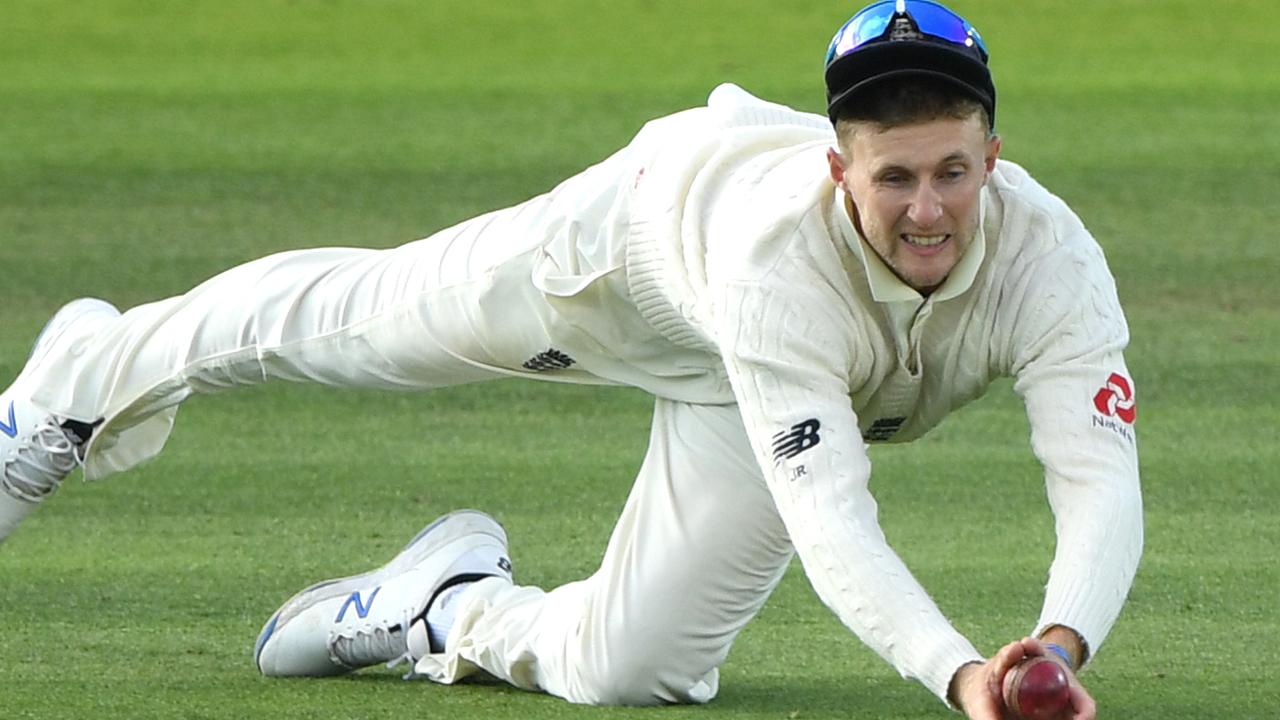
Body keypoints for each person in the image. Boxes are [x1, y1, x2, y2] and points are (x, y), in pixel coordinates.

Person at [0, 1, 1141, 717]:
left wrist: (1054, 642)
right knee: (355, 327)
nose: (926, 206)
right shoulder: (774, 261)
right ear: (838, 173)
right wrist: (957, 677)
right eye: (893, 177)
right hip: (619, 265)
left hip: (758, 372)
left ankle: (443, 609)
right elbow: (830, 513)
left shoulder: (1054, 262)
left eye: (949, 170)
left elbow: (1094, 477)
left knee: (634, 674)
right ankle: (72, 387)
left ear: (992, 157)